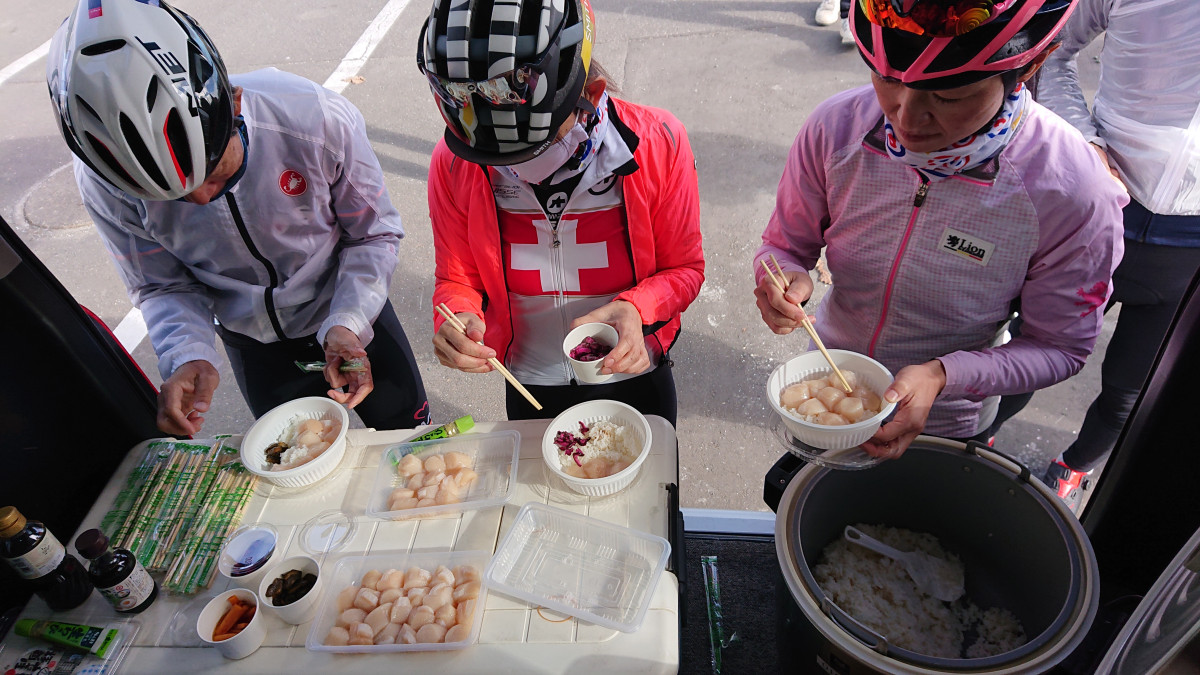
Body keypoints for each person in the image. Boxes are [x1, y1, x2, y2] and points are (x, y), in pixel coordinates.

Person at [753, 0, 1126, 459]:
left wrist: (942, 376)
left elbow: (1060, 347)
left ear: (1030, 65)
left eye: (949, 97)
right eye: (888, 81)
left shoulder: (1072, 191)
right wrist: (784, 277)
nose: (906, 119)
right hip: (826, 392)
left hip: (947, 422)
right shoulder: (836, 128)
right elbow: (783, 246)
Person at [46, 0, 430, 436]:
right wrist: (188, 354)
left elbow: (373, 235)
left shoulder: (314, 119)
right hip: (254, 344)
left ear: (234, 102)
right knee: (290, 472)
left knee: (415, 441)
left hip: (353, 313)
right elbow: (160, 283)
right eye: (167, 196)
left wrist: (348, 322)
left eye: (213, 168)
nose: (201, 197)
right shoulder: (103, 182)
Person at [419, 0, 704, 426]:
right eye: (493, 156)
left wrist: (639, 307)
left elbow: (684, 268)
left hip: (633, 369)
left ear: (591, 94)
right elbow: (457, 278)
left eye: (537, 144)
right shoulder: (455, 162)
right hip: (528, 382)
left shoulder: (659, 142)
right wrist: (459, 315)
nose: (514, 168)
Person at [1034, 0, 1200, 511]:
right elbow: (1049, 49)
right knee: (1029, 350)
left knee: (1132, 395)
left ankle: (1074, 468)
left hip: (1187, 254)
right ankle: (975, 440)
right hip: (1097, 214)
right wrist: (1083, 141)